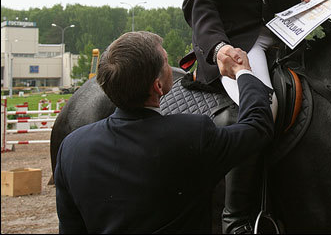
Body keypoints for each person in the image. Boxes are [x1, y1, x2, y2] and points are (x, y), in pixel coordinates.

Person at [179, 0, 319, 233]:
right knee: (262, 106)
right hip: (237, 42)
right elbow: (199, 0)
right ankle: (237, 218)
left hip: (283, 31)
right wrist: (219, 48)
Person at [54, 31, 274, 234]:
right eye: (167, 62)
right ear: (158, 87)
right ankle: (236, 222)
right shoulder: (191, 134)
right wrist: (243, 71)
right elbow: (257, 127)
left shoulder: (71, 148)